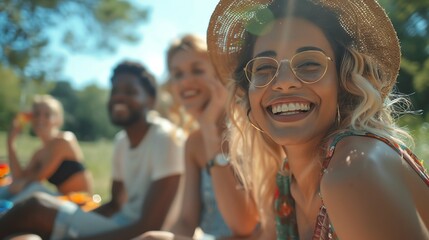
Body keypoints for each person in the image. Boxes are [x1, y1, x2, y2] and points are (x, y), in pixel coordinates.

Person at [206, 0, 429, 239]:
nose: (283, 81)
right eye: (263, 68)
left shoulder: (353, 172)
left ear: (343, 82)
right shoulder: (287, 186)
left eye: (309, 63)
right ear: (249, 94)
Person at [0, 60, 185, 240]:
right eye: (115, 91)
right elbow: (114, 204)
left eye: (130, 91)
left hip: (141, 233)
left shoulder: (165, 137)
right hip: (118, 223)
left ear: (151, 101)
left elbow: (150, 227)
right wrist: (77, 217)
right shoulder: (121, 140)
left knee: (35, 206)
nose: (119, 97)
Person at [139, 34, 259, 240]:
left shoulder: (251, 131)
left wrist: (210, 132)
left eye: (197, 70)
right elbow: (186, 221)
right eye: (177, 74)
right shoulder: (194, 143)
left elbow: (243, 226)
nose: (186, 81)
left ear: (221, 75)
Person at [1, 94, 92, 202]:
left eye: (47, 115)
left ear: (57, 119)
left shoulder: (65, 140)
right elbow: (19, 178)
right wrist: (10, 142)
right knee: (7, 189)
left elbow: (36, 178)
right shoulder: (39, 153)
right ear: (31, 118)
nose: (40, 119)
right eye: (36, 114)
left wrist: (20, 183)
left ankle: (6, 214)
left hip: (79, 202)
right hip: (61, 199)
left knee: (33, 189)